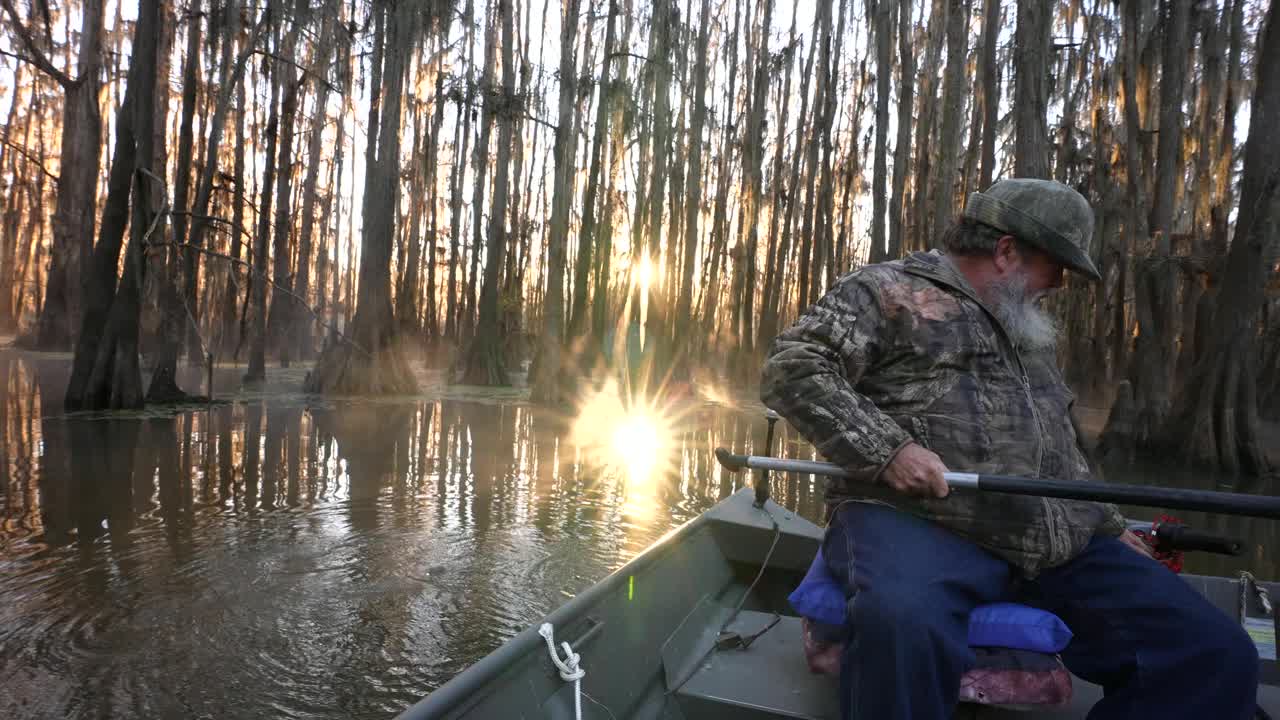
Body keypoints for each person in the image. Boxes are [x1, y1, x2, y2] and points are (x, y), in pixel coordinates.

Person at [759, 178, 1260, 720]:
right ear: (1005, 251)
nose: (1063, 283)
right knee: (901, 621)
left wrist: (1108, 522)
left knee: (1215, 652)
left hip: (1049, 535)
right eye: (1058, 266)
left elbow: (1058, 442)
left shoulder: (1027, 328)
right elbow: (794, 370)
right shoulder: (886, 290)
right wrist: (890, 450)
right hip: (918, 521)